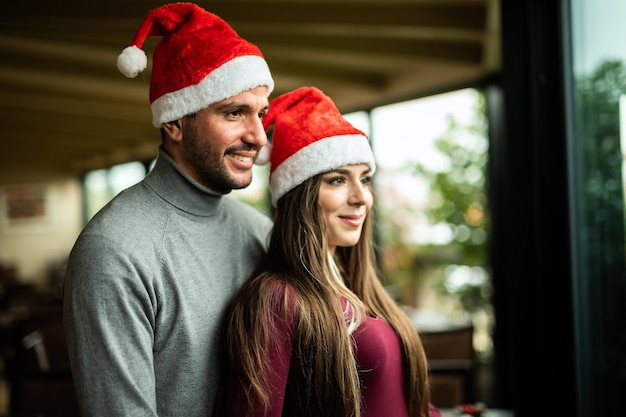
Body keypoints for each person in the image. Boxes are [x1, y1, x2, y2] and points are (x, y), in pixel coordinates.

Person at [62, 3, 274, 416]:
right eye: (234, 113)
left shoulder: (259, 230)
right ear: (174, 122)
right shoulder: (114, 250)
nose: (258, 137)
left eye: (261, 114)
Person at [221, 86, 442, 417]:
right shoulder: (277, 298)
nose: (361, 197)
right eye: (338, 180)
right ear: (301, 197)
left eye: (365, 179)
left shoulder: (357, 285)